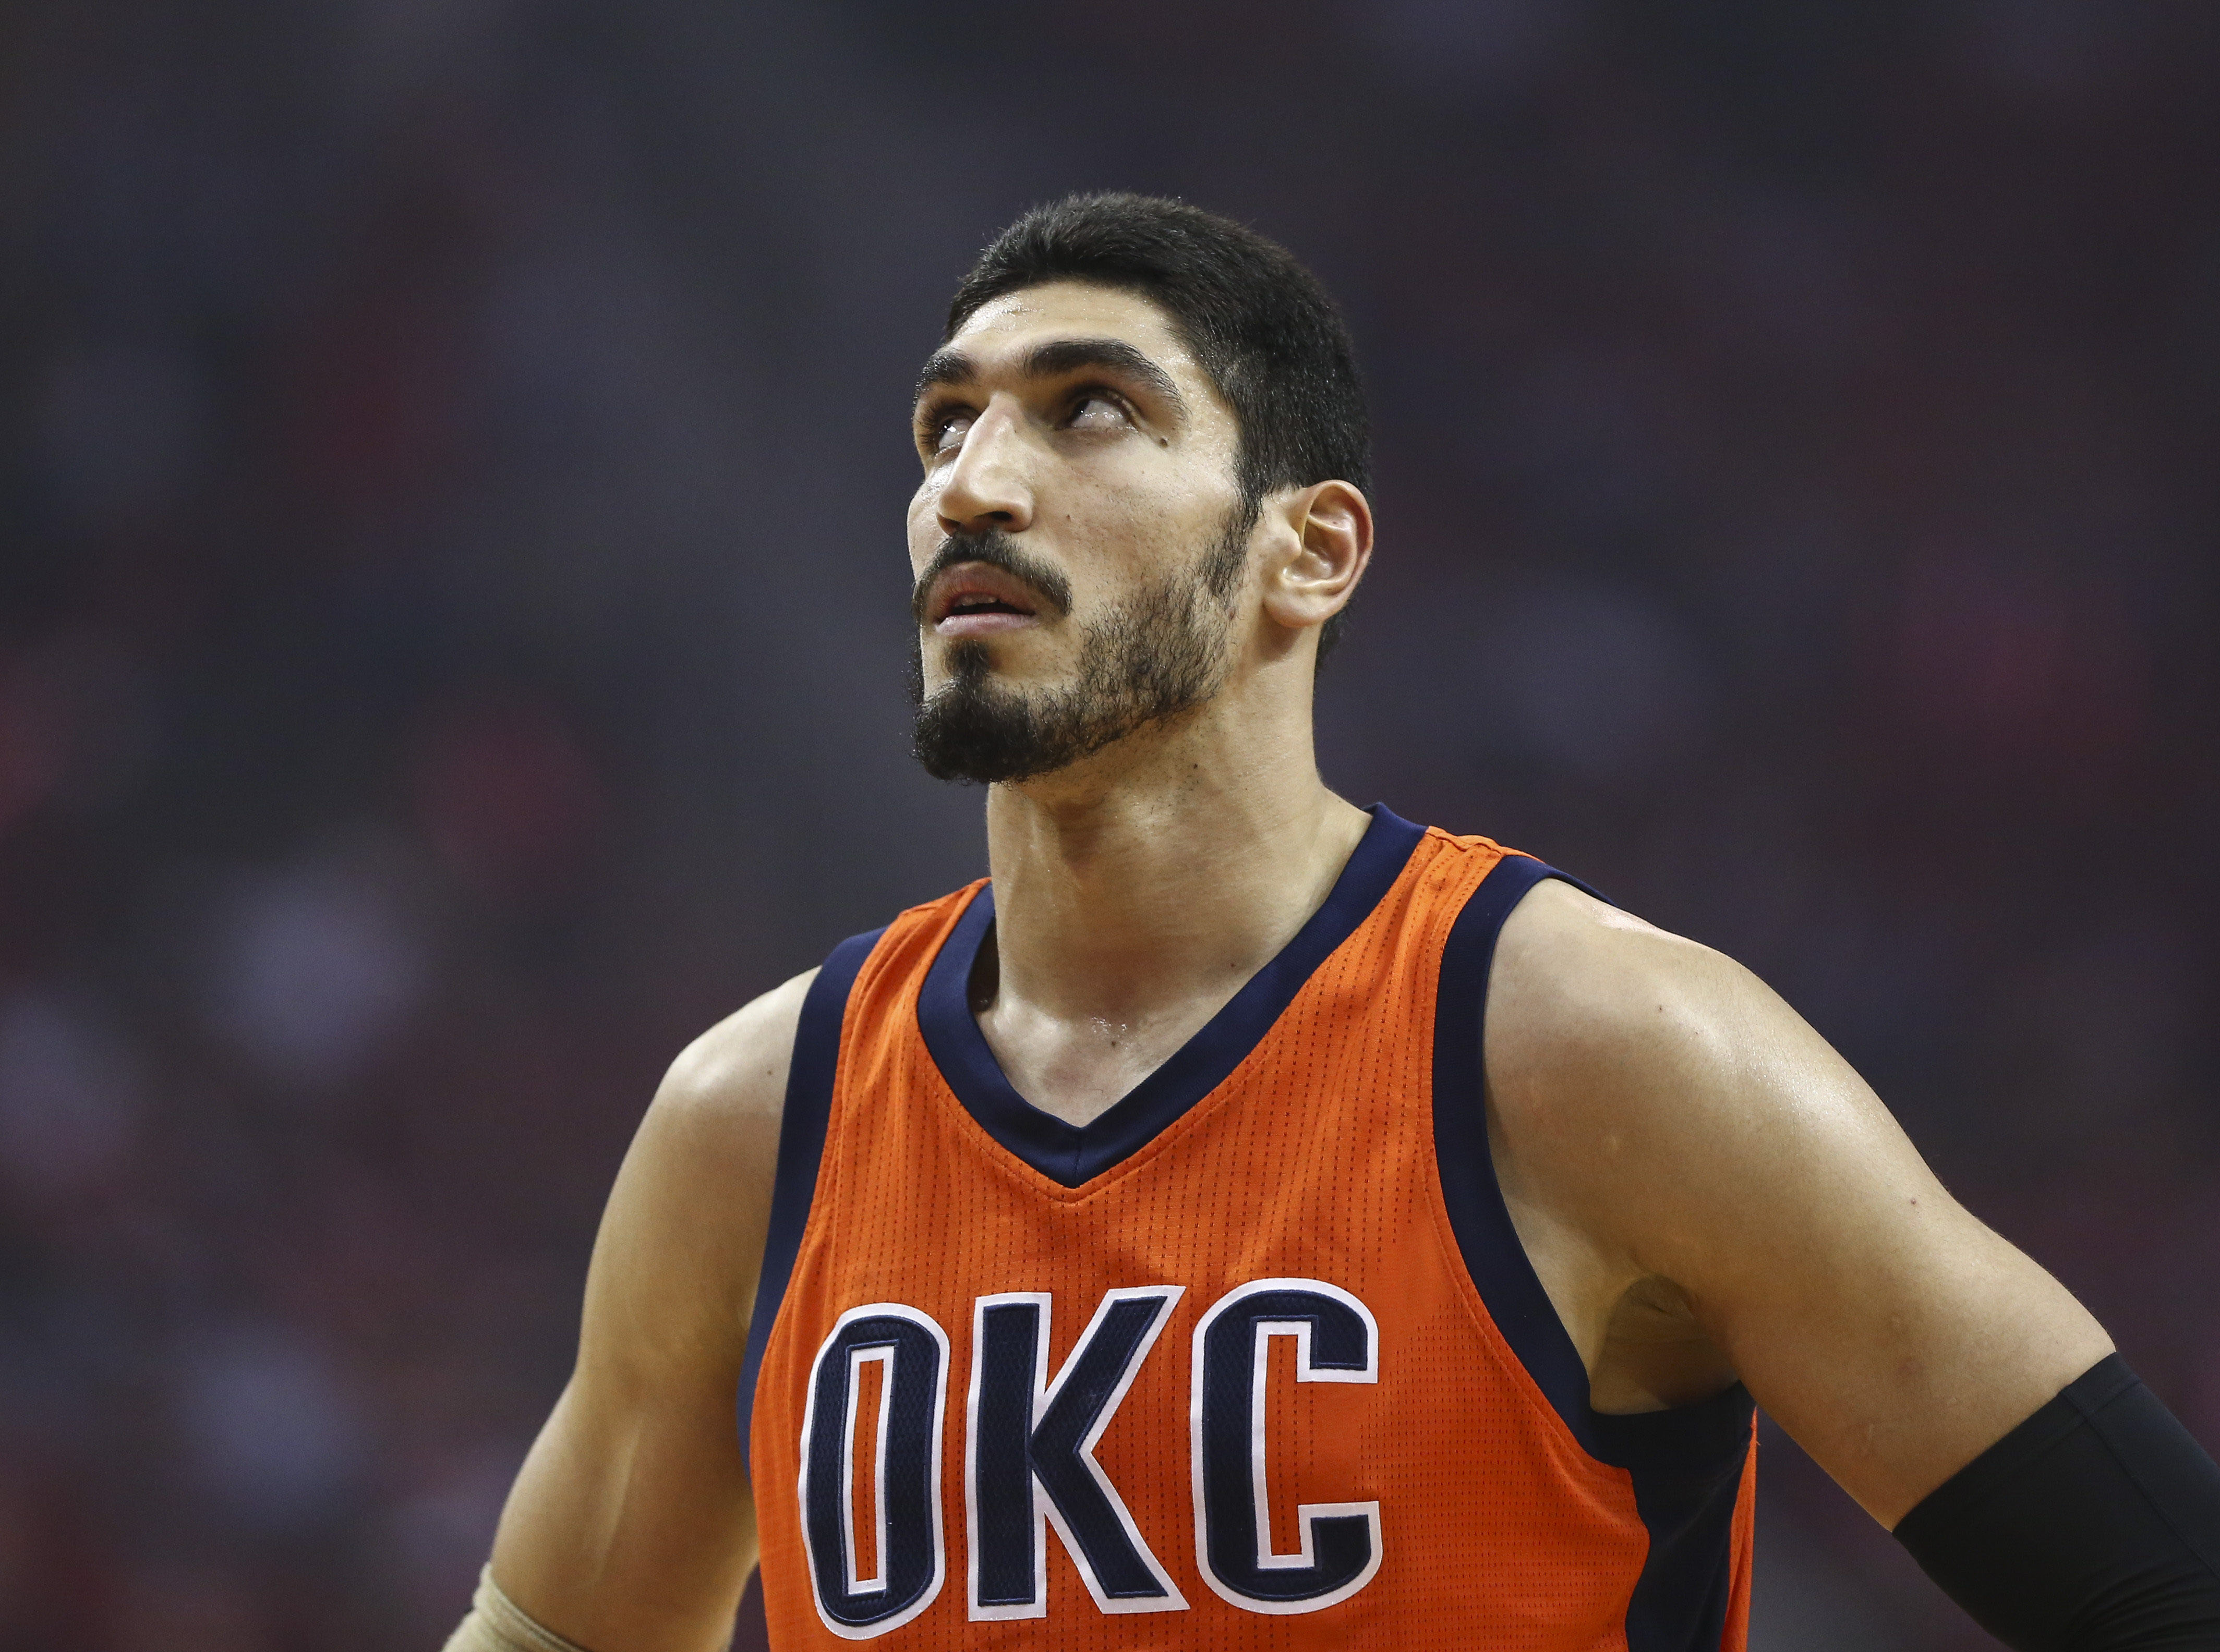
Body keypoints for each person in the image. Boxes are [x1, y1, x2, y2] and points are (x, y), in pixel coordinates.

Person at [445, 193, 2220, 1652]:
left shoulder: (1594, 1050)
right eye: (945, 425)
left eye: (1091, 411)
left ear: (1313, 551)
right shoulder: (750, 1126)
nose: (972, 484)